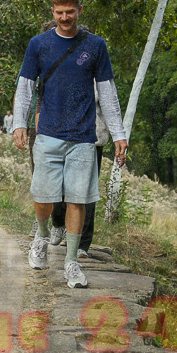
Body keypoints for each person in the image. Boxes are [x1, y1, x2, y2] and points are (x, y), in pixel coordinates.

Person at [10, 0, 127, 289]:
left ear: (79, 11)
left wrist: (119, 134)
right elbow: (25, 87)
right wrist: (18, 124)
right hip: (48, 133)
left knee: (78, 199)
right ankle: (41, 235)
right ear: (53, 11)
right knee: (42, 197)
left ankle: (71, 261)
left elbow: (108, 92)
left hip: (83, 136)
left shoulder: (96, 46)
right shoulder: (39, 44)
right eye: (59, 12)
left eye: (70, 12)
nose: (65, 17)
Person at [48, 87, 110, 258]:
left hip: (91, 137)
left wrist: (110, 131)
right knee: (59, 185)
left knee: (86, 193)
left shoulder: (98, 74)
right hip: (62, 134)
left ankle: (82, 244)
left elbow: (109, 104)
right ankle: (58, 223)